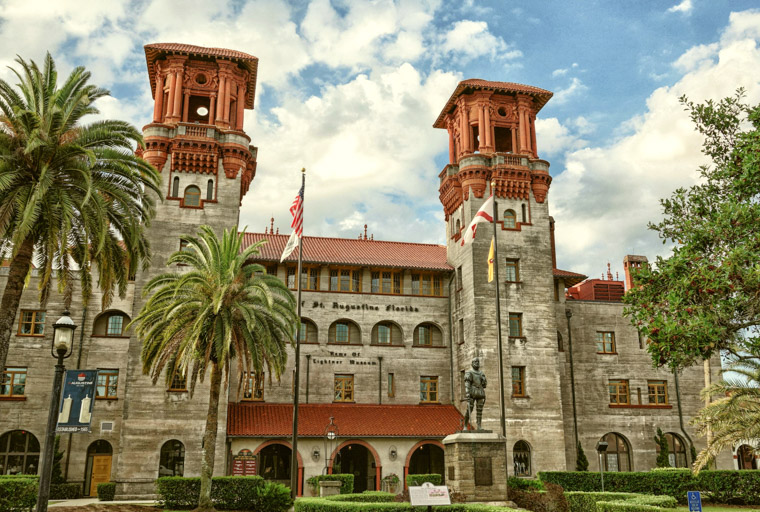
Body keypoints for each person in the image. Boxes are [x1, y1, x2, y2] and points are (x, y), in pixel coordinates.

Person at [463, 358, 487, 430]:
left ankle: (479, 426)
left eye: (478, 362)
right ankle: (465, 425)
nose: (477, 363)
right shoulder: (469, 372)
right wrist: (467, 393)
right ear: (472, 363)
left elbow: (484, 385)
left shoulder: (481, 373)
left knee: (479, 410)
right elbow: (467, 384)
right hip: (472, 392)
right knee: (469, 408)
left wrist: (484, 380)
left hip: (480, 392)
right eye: (475, 362)